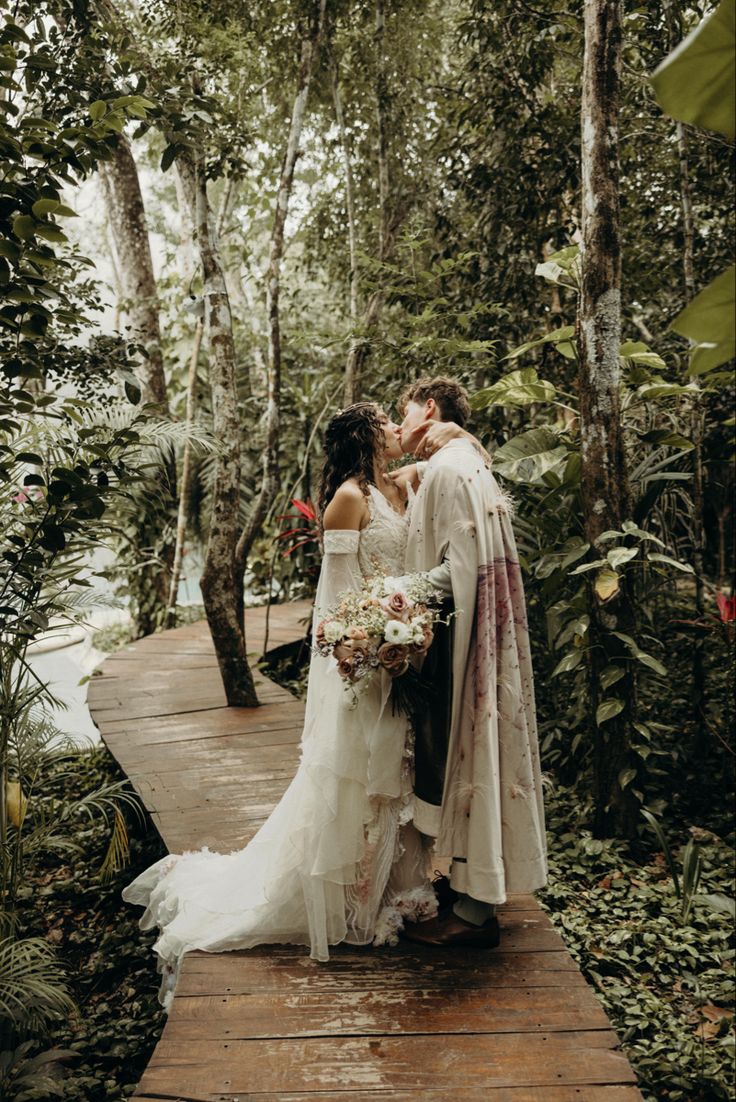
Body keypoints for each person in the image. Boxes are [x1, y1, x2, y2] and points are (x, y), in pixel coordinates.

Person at [122, 403, 436, 1008]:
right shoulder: (349, 497)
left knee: (396, 768)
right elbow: (337, 592)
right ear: (367, 436)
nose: (399, 431)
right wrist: (365, 644)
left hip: (407, 647)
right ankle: (351, 898)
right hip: (368, 653)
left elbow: (451, 466)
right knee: (361, 774)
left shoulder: (399, 483)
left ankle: (397, 889)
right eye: (389, 424)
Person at [394, 376, 547, 947]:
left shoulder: (450, 469)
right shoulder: (465, 460)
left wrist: (389, 596)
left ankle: (477, 911)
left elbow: (457, 570)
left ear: (429, 408)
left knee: (474, 754)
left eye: (403, 412)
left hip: (469, 640)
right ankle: (471, 889)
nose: (400, 422)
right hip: (484, 635)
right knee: (476, 757)